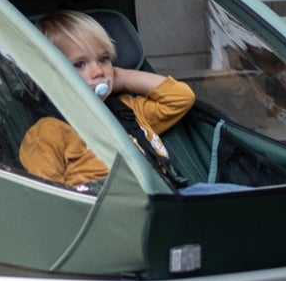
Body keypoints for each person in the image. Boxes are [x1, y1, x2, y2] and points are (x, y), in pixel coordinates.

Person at [18, 10, 245, 195]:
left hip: (164, 197)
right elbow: (47, 196)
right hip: (110, 209)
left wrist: (122, 77)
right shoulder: (49, 131)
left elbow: (181, 98)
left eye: (104, 59)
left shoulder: (130, 109)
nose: (98, 71)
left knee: (230, 195)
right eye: (79, 64)